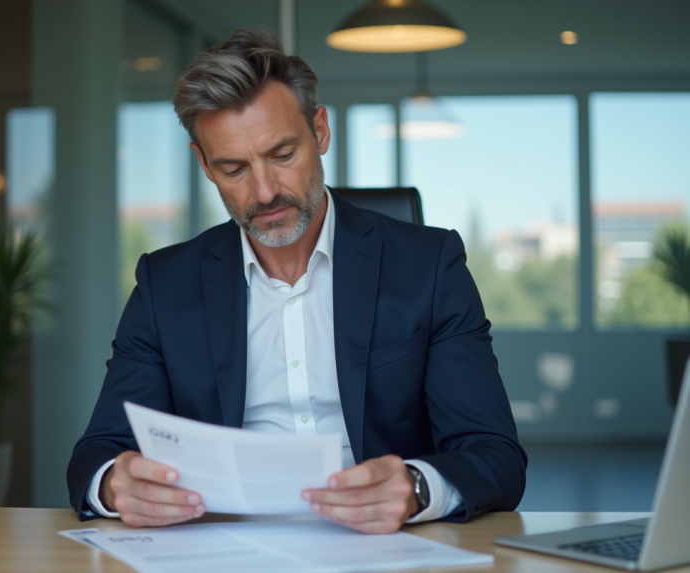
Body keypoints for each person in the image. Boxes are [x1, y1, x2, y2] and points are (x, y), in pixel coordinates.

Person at [67, 27, 526, 534]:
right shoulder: (164, 285)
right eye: (234, 168)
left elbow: (496, 456)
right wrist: (115, 484)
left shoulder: (428, 265)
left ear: (320, 131)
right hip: (220, 549)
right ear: (204, 165)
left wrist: (417, 488)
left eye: (282, 155)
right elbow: (96, 454)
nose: (264, 192)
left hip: (384, 548)